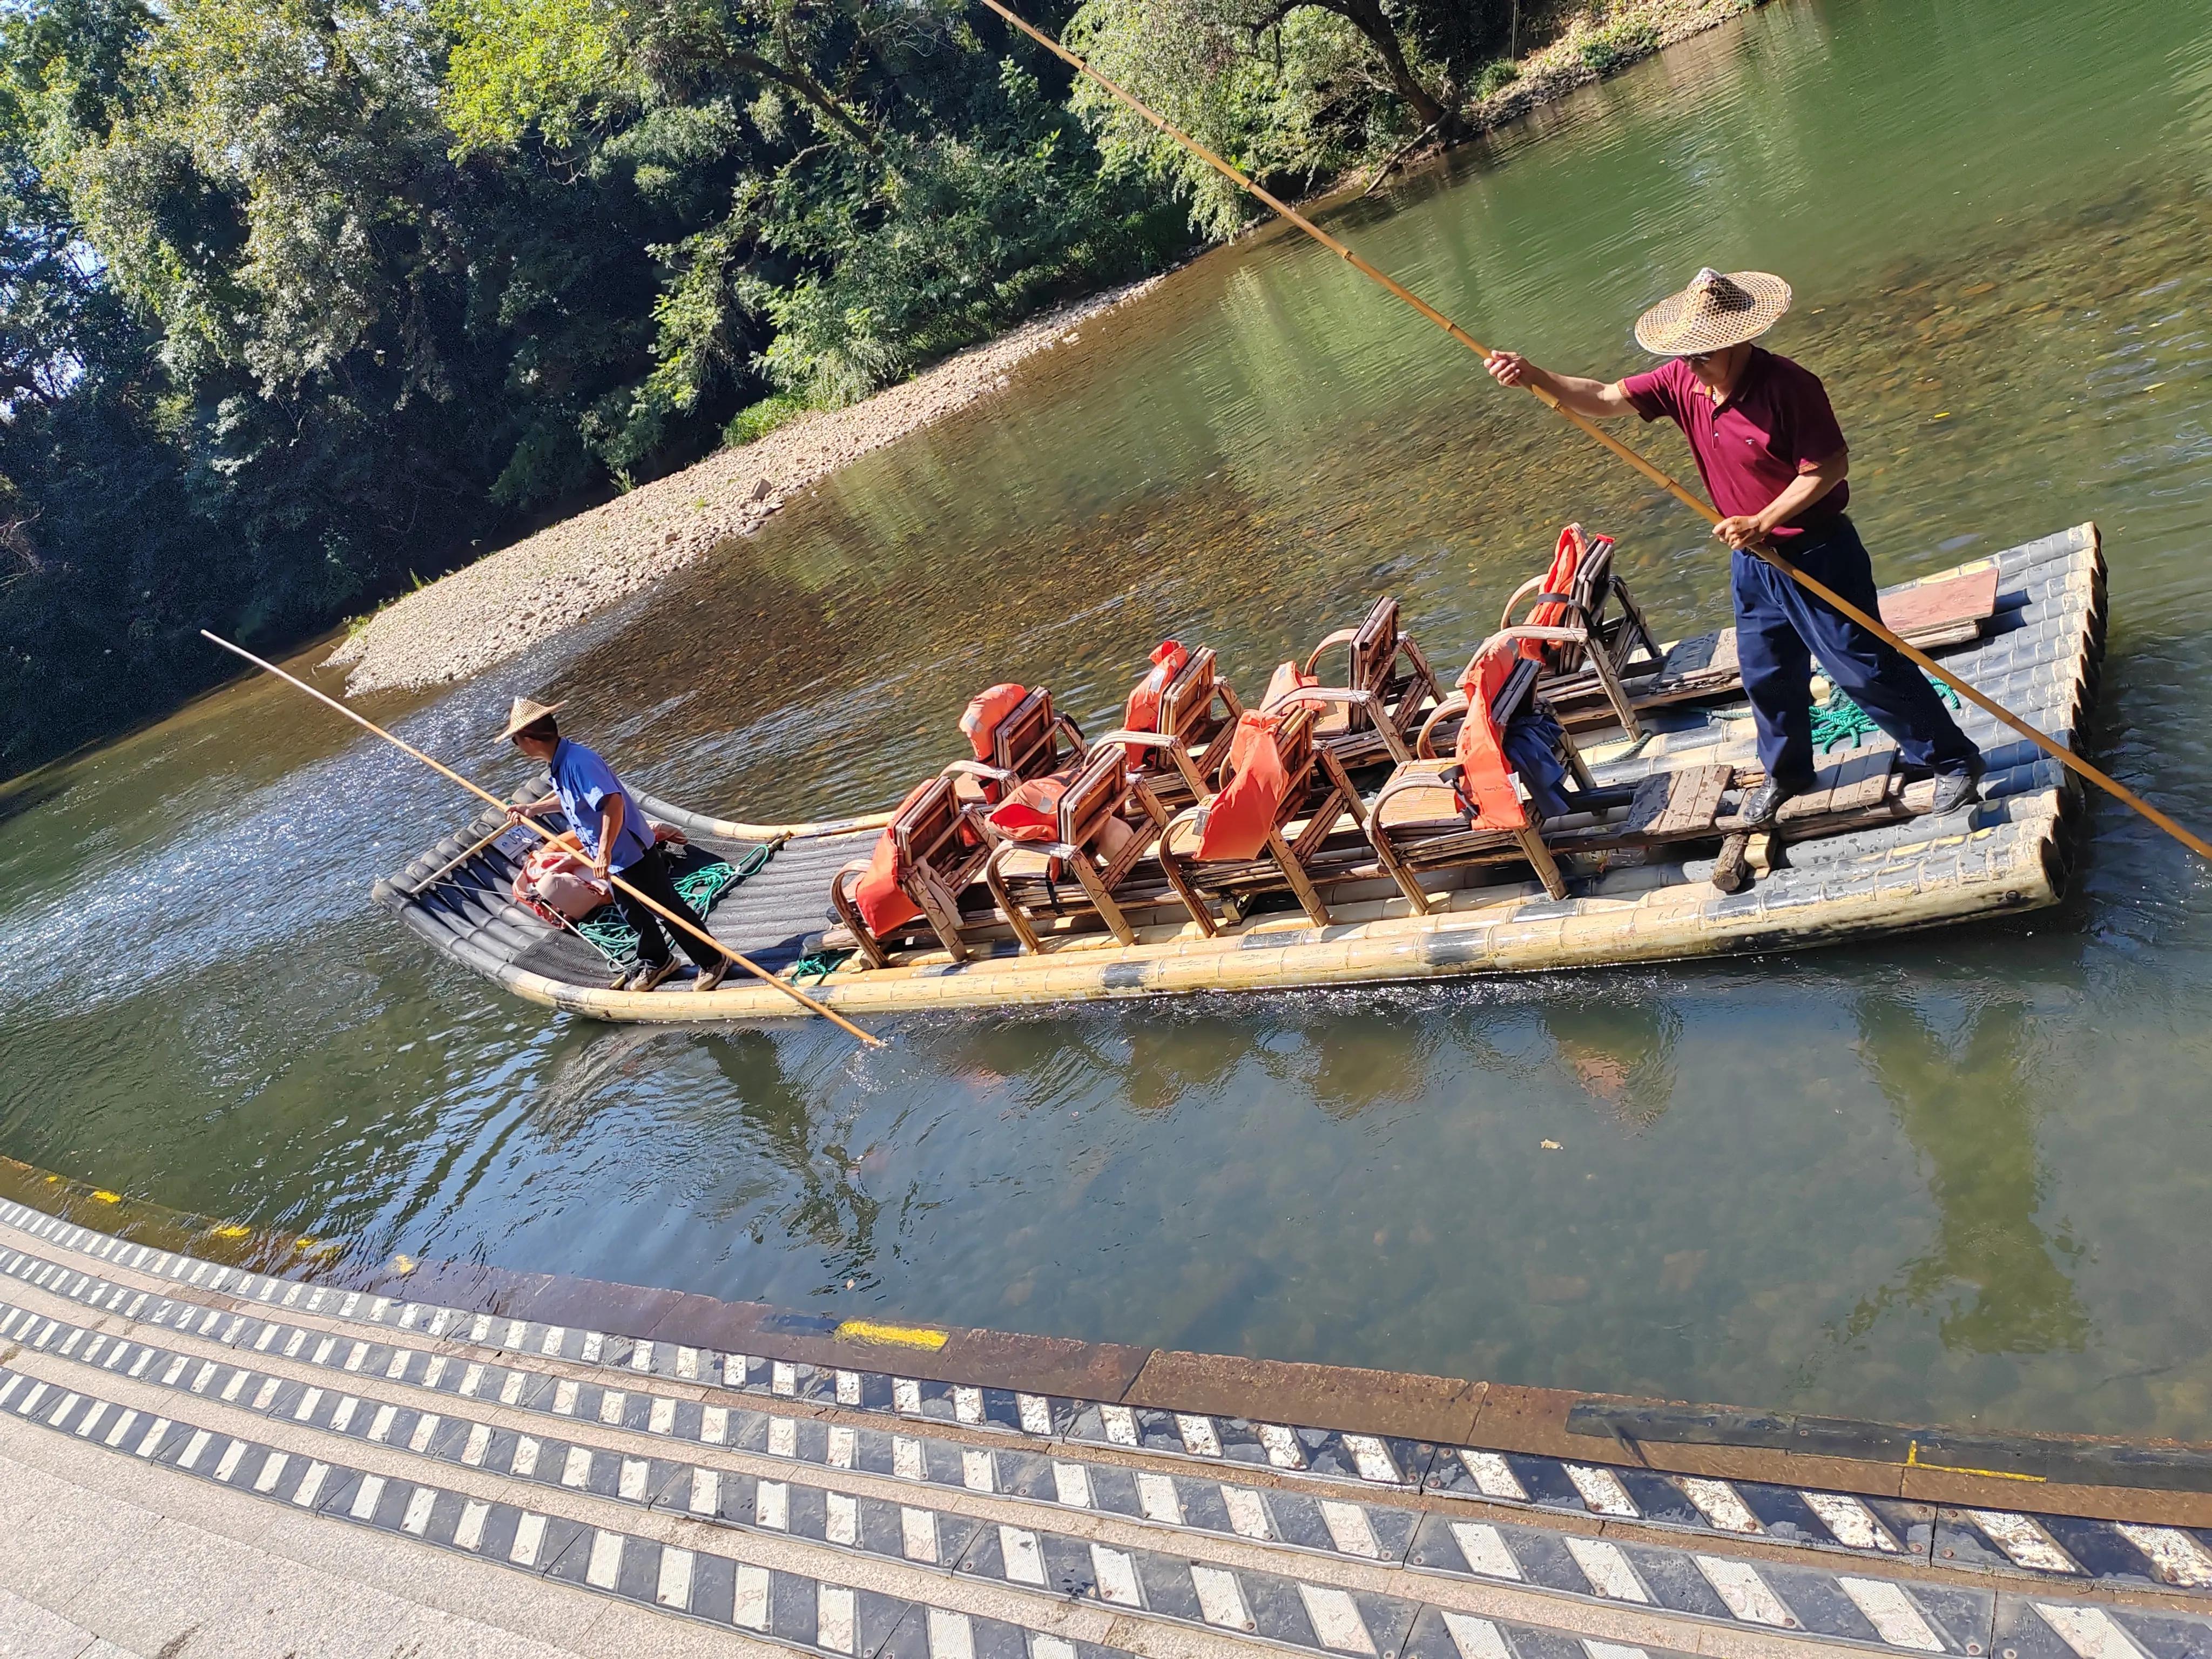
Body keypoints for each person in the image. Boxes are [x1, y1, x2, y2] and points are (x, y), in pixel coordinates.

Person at [1482, 267, 1982, 824]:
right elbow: (1601, 397)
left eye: (1704, 353)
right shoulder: (1682, 380)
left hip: (1815, 551)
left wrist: (1763, 519)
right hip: (1752, 562)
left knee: (1863, 667)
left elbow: (1828, 467)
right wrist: (1533, 375)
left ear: (1740, 340)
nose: (1692, 364)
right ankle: (1789, 774)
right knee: (1766, 673)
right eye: (1688, 354)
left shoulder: (1789, 387)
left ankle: (1951, 761)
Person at [499, 697, 728, 993]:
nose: (518, 748)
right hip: (611, 856)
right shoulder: (559, 764)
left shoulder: (579, 762)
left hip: (629, 851)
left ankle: (712, 960)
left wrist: (604, 852)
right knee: (632, 911)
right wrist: (533, 810)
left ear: (529, 740)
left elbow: (612, 804)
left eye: (515, 741)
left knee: (666, 907)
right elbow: (572, 801)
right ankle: (658, 961)